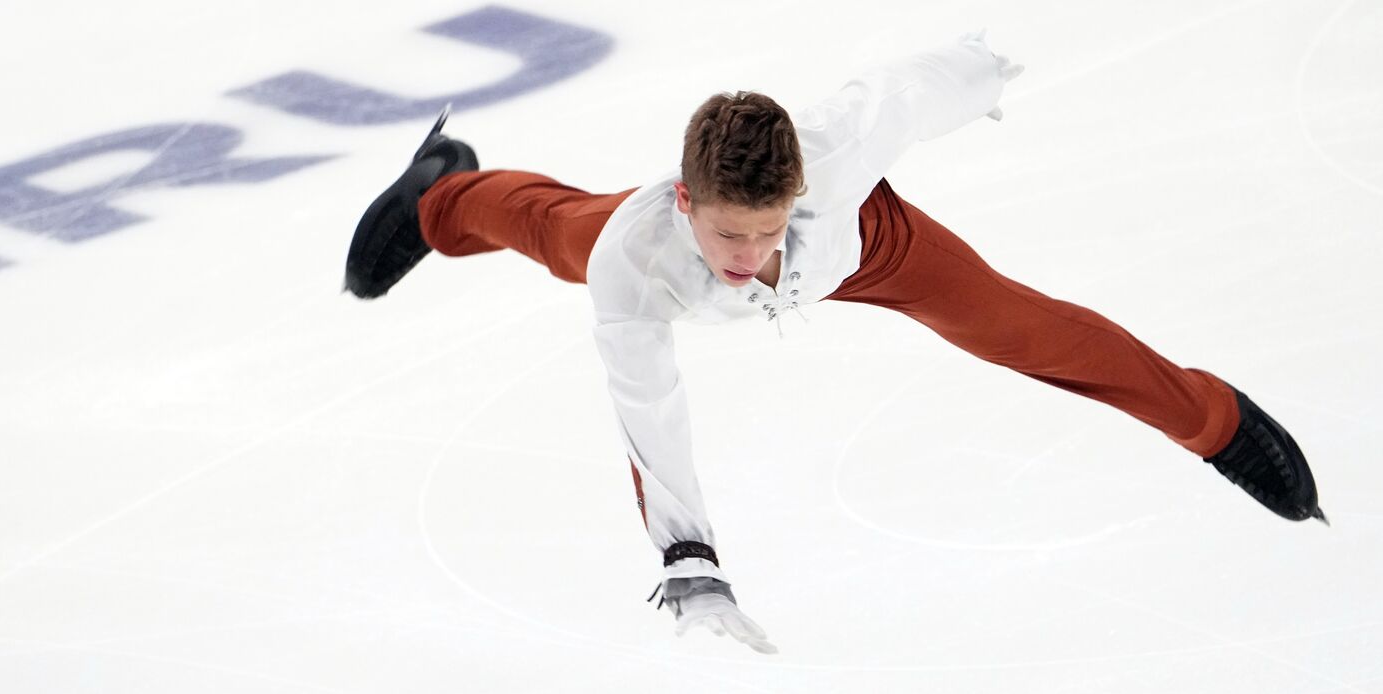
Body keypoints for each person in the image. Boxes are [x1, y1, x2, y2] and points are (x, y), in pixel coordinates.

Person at [343, 31, 1325, 656]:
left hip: (871, 248)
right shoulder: (633, 257)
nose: (751, 254)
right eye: (730, 232)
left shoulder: (834, 155)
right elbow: (648, 409)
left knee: (1017, 326)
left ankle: (1214, 420)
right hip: (632, 245)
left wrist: (978, 71)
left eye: (769, 227)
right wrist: (690, 562)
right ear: (686, 200)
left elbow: (900, 89)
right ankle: (437, 189)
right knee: (551, 228)